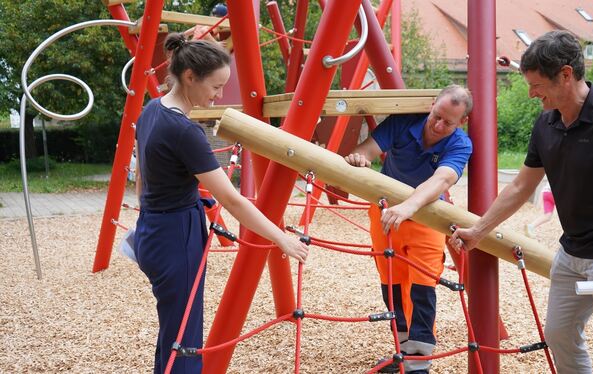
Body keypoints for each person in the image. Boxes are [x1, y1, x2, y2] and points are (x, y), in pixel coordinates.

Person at [450, 30, 593, 373]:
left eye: (536, 85)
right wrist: (478, 230)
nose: (531, 92)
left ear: (566, 74)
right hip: (572, 252)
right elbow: (521, 185)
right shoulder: (547, 122)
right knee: (559, 335)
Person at [133, 32, 309, 374]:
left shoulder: (151, 109)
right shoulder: (185, 131)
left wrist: (150, 213)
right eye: (215, 87)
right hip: (175, 235)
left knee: (173, 330)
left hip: (151, 230)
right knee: (185, 340)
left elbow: (141, 179)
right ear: (189, 77)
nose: (218, 96)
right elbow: (231, 199)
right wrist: (280, 237)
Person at [345, 85, 473, 374]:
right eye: (436, 116)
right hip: (386, 213)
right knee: (390, 283)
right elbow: (367, 149)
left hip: (425, 217)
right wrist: (360, 158)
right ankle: (403, 352)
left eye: (448, 122)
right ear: (431, 105)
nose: (439, 125)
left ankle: (419, 363)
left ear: (461, 122)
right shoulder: (404, 122)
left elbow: (441, 181)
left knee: (422, 286)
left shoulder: (461, 144)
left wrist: (408, 206)